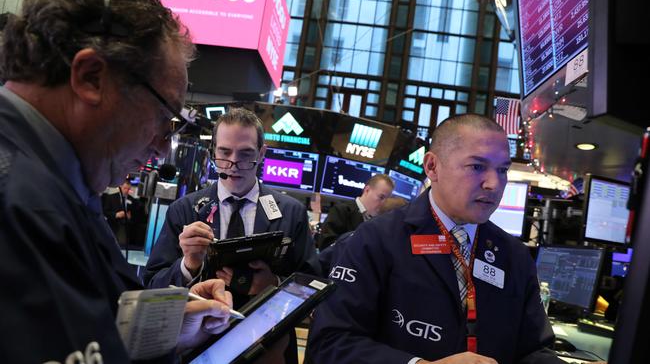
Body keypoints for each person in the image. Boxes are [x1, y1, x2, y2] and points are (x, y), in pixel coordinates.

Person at [0, 0, 234, 362]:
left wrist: (164, 329)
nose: (160, 148)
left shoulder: (62, 185)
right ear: (91, 76)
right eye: (163, 115)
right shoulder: (23, 202)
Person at [307, 114, 562, 364]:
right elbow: (330, 344)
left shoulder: (514, 256)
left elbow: (533, 350)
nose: (494, 184)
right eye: (477, 167)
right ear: (432, 167)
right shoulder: (376, 239)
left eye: (503, 170)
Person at [143, 107, 321, 361]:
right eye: (224, 153)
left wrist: (274, 286)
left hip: (269, 349)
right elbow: (152, 289)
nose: (234, 164)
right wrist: (188, 266)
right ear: (213, 150)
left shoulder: (291, 213)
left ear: (261, 153)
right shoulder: (184, 210)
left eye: (246, 154)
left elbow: (311, 286)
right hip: (197, 351)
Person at [317, 173, 395, 249]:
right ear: (367, 190)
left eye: (387, 200)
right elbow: (325, 245)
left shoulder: (377, 221)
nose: (384, 203)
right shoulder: (341, 210)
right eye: (381, 197)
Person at [102, 177, 146, 246]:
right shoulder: (111, 197)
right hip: (113, 226)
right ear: (120, 186)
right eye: (125, 188)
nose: (126, 191)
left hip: (126, 228)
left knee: (122, 246)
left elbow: (137, 216)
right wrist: (116, 214)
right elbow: (105, 212)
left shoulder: (133, 201)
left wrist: (130, 217)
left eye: (128, 189)